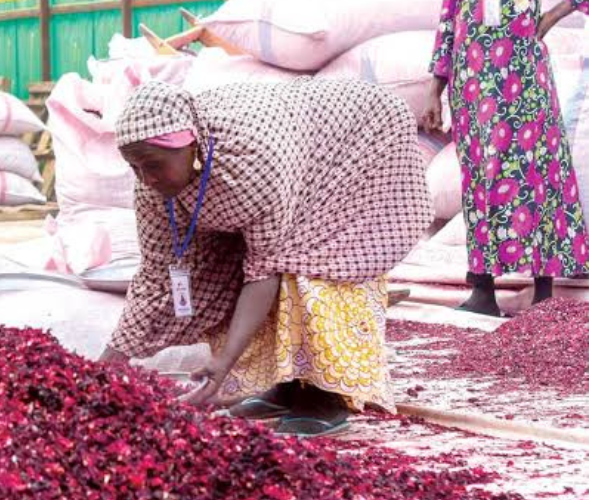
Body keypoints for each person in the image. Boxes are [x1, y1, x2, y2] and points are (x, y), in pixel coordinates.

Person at [99, 79, 433, 437]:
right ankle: (290, 384)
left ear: (191, 146)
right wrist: (102, 368)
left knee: (308, 262)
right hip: (291, 146)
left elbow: (264, 271)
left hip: (359, 138)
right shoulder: (152, 188)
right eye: (135, 168)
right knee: (220, 271)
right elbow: (156, 275)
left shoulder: (250, 165)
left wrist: (224, 363)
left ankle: (326, 394)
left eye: (152, 165)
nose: (145, 179)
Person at [422, 0, 589, 317]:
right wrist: (435, 89)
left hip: (525, 74)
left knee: (539, 173)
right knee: (481, 179)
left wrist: (553, 15)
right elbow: (448, 18)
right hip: (472, 79)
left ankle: (544, 294)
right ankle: (483, 291)